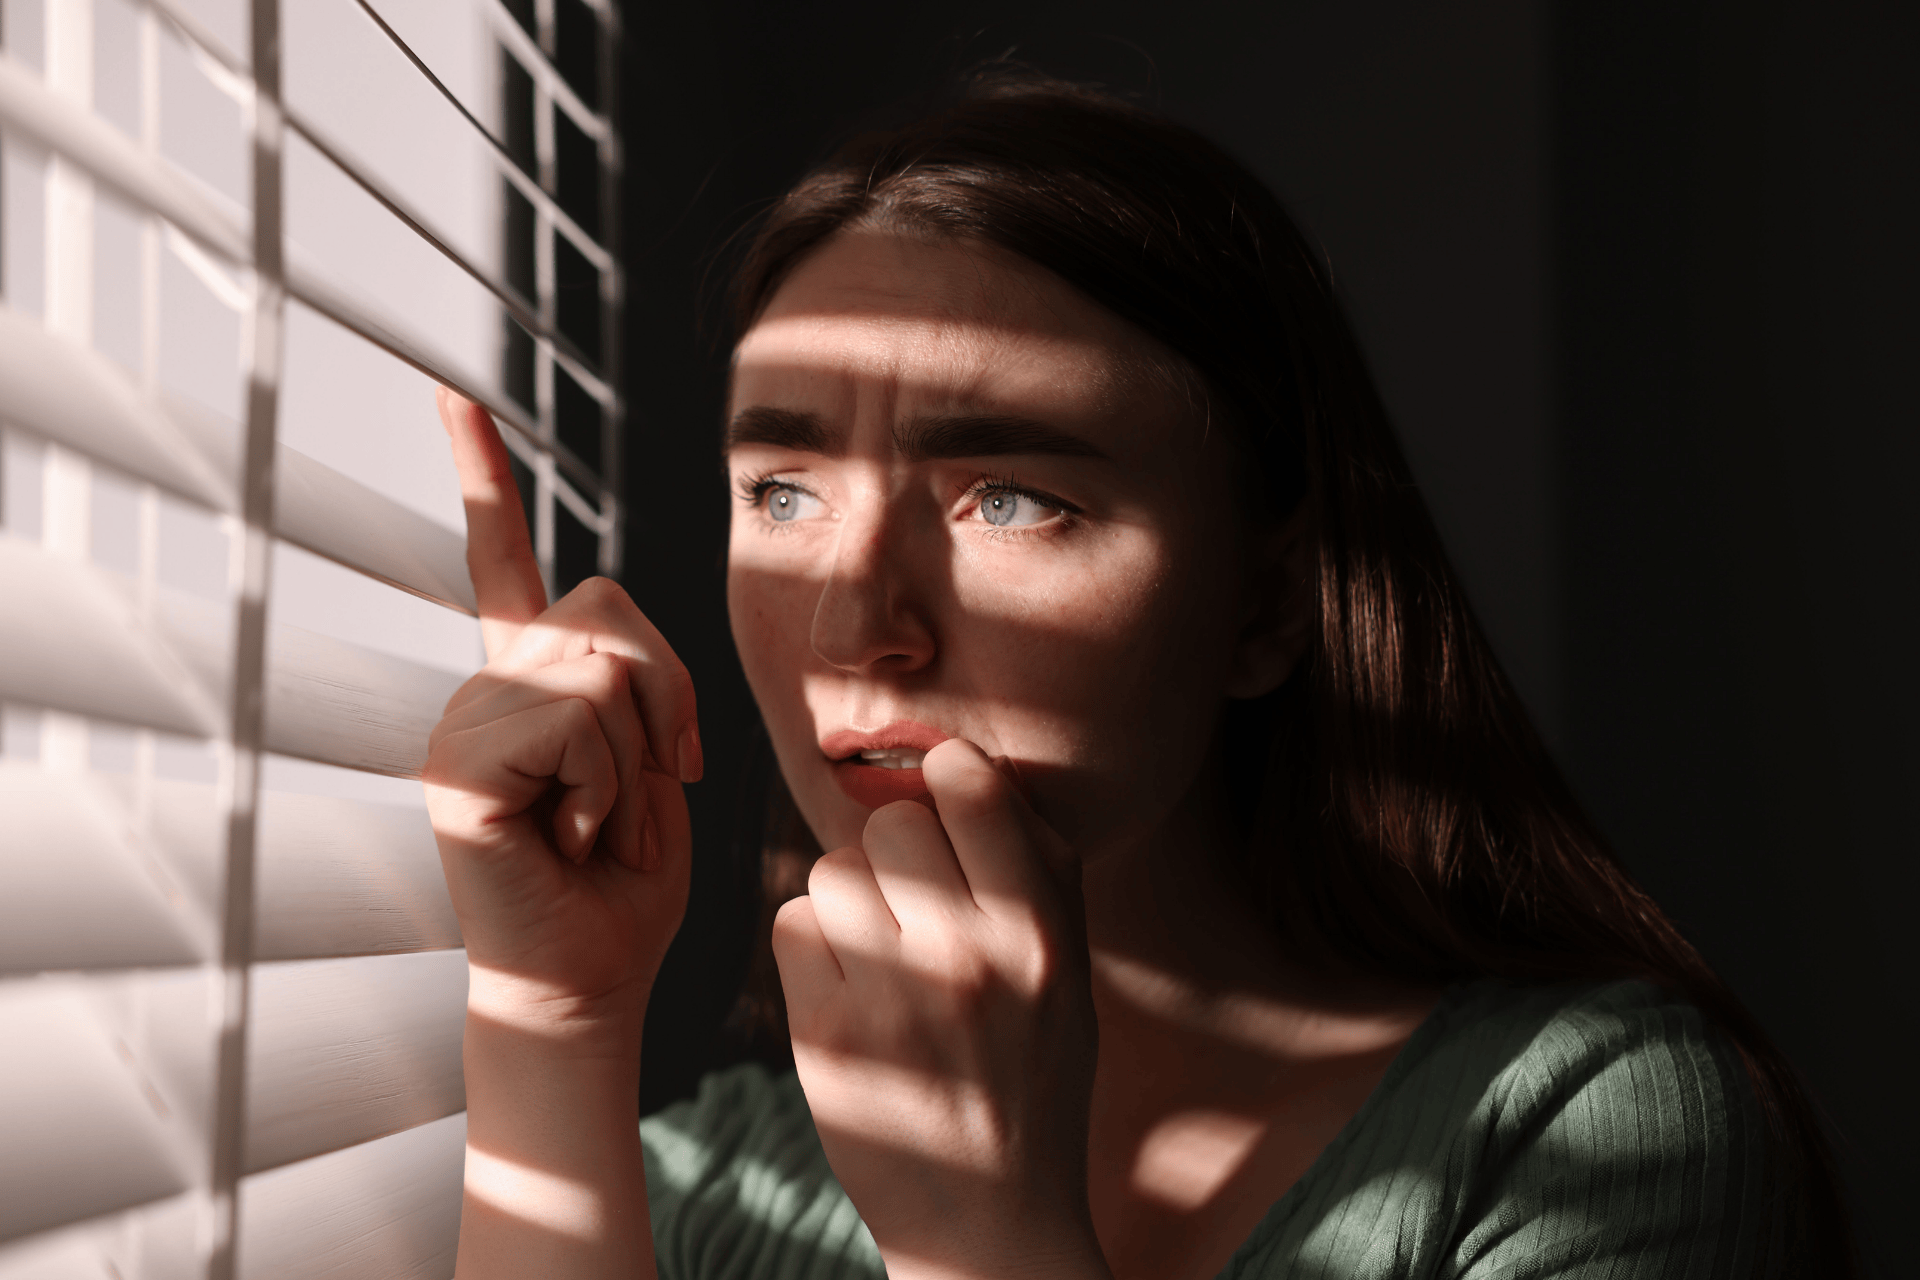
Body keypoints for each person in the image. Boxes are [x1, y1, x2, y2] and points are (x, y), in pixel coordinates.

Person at [421, 73, 1852, 1280]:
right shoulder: (722, 1184)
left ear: (1266, 602)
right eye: (782, 492)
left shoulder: (1591, 1138)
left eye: (1010, 497)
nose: (859, 624)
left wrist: (989, 1231)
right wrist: (556, 1017)